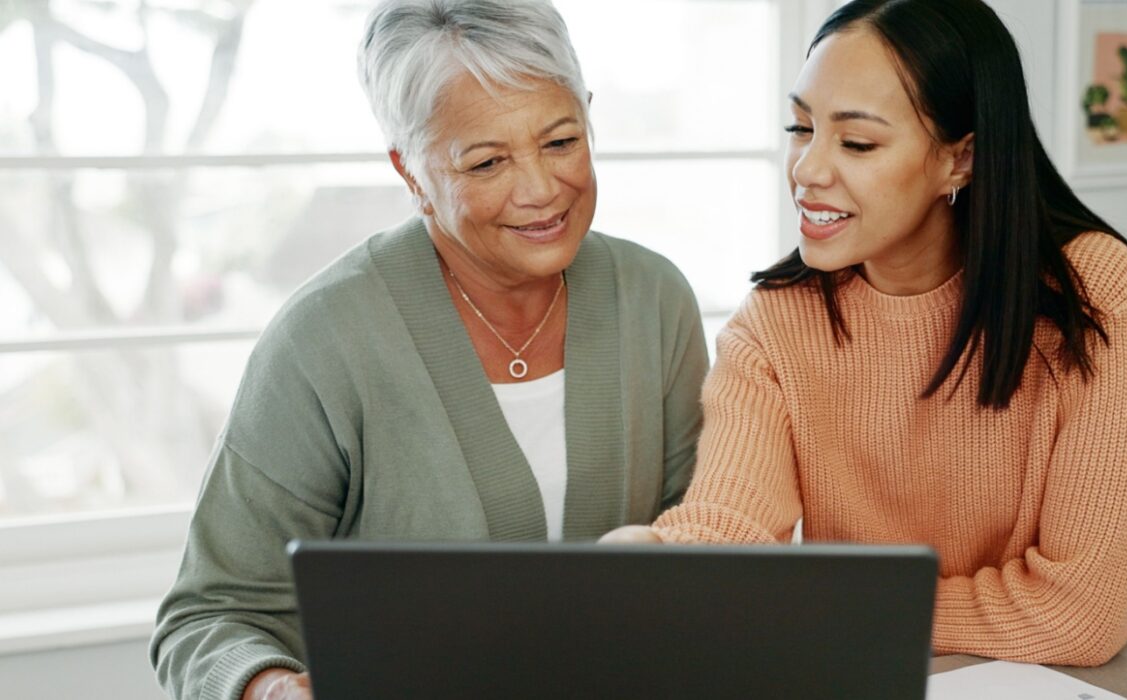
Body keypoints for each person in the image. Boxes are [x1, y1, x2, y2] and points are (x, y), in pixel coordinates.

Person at [150, 1, 708, 698]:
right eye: (487, 161)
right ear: (409, 171)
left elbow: (704, 545)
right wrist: (270, 689)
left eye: (561, 141)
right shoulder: (325, 338)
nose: (541, 190)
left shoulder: (654, 300)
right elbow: (207, 613)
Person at [602, 0, 1127, 667]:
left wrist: (827, 603)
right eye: (800, 126)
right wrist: (669, 559)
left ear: (961, 160)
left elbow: (1083, 613)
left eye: (857, 142)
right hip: (862, 666)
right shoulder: (776, 323)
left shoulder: (1091, 293)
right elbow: (732, 530)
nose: (807, 169)